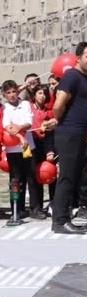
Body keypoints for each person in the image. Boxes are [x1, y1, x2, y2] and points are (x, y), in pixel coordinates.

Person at [47, 42, 87, 234]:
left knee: (73, 176)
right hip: (69, 133)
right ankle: (59, 221)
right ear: (78, 58)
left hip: (79, 133)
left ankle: (65, 216)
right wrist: (59, 120)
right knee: (66, 177)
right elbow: (59, 104)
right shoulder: (71, 76)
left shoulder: (85, 77)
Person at [2, 79, 34, 224]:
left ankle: (32, 208)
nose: (12, 95)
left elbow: (29, 122)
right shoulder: (5, 109)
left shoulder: (25, 104)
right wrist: (19, 135)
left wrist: (18, 127)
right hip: (12, 149)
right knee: (15, 178)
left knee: (30, 176)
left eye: (14, 91)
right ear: (4, 95)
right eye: (8, 93)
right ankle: (16, 208)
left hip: (28, 146)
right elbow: (6, 126)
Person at [27, 85, 56, 219]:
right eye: (39, 93)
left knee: (50, 174)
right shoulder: (27, 108)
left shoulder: (49, 112)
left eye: (44, 93)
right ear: (34, 95)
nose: (42, 96)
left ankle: (53, 204)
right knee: (34, 176)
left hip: (45, 145)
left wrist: (50, 150)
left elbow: (50, 134)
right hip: (31, 144)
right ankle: (35, 208)